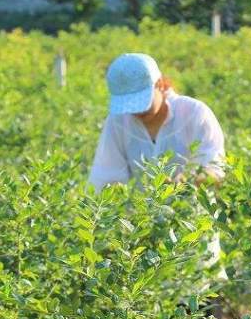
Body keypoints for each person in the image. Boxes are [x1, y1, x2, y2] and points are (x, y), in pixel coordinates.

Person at [89, 52, 227, 291]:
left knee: (200, 303)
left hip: (193, 229)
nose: (136, 111)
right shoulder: (118, 121)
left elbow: (216, 169)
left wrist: (187, 181)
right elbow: (105, 176)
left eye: (141, 100)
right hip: (146, 231)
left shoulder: (194, 113)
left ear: (161, 84)